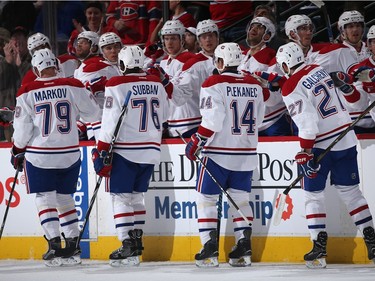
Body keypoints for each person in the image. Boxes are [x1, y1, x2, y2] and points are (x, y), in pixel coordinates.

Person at [276, 42, 375, 268]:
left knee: (313, 195)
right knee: (351, 193)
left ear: (285, 64)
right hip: (346, 139)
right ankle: (372, 239)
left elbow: (308, 122)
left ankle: (319, 247)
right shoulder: (318, 69)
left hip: (320, 145)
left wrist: (305, 151)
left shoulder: (290, 85)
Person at [10, 48, 101, 267]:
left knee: (45, 198)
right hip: (69, 153)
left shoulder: (27, 90)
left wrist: (16, 149)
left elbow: (22, 130)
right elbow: (94, 114)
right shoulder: (73, 85)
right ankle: (72, 243)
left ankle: (53, 243)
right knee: (65, 197)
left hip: (40, 155)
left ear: (35, 69)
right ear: (57, 65)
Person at [185, 42, 270, 267]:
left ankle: (209, 247)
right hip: (246, 152)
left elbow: (212, 119)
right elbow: (260, 120)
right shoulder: (254, 84)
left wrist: (198, 139)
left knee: (206, 199)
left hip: (218, 154)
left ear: (221, 62)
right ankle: (244, 247)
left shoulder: (214, 82)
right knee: (241, 200)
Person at [91, 45, 169, 267]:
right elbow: (166, 114)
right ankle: (136, 242)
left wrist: (101, 149)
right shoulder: (155, 82)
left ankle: (127, 243)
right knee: (137, 197)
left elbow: (109, 121)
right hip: (151, 150)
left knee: (121, 197)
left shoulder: (116, 83)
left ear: (123, 65)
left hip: (126, 150)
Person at [314, 10, 373, 134]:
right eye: (350, 26)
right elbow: (311, 69)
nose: (355, 30)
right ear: (342, 30)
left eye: (358, 25)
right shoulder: (333, 52)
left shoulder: (370, 48)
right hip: (352, 119)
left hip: (372, 116)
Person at [78, 32, 123, 140]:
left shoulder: (127, 64)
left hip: (122, 119)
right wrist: (89, 87)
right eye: (109, 48)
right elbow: (79, 91)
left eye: (116, 47)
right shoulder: (95, 67)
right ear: (102, 51)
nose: (113, 51)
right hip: (101, 121)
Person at [157, 20, 195, 138]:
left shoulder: (190, 60)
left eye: (173, 38)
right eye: (166, 39)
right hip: (171, 123)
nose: (169, 43)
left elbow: (179, 92)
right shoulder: (163, 62)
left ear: (182, 40)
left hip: (189, 123)